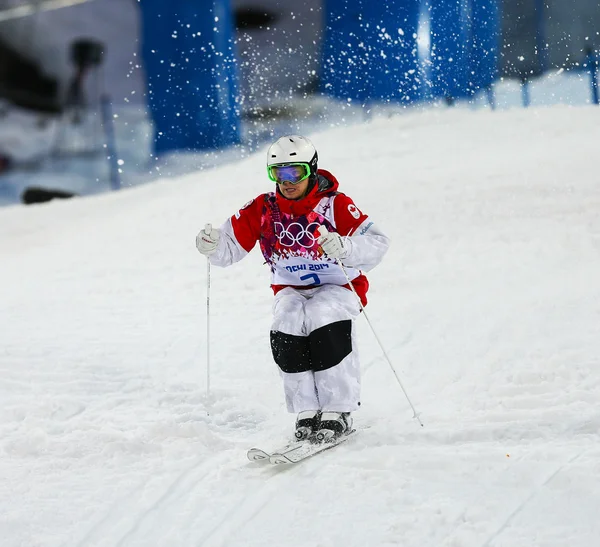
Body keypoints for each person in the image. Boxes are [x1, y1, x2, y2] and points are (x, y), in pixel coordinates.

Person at [196, 135, 389, 441]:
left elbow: (377, 244)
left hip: (339, 286)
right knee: (286, 322)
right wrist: (212, 244)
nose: (286, 182)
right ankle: (306, 409)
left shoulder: (335, 204)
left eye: (294, 172)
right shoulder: (263, 208)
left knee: (323, 317)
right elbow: (229, 248)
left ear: (311, 170)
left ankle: (337, 409)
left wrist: (345, 245)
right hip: (290, 288)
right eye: (278, 173)